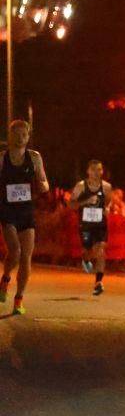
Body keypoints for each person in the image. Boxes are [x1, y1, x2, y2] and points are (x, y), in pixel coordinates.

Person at [0, 120, 50, 314]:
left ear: (28, 137)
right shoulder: (2, 158)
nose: (20, 138)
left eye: (24, 135)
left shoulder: (35, 158)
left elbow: (44, 183)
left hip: (26, 210)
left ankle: (19, 298)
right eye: (16, 134)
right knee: (15, 251)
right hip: (7, 211)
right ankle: (5, 278)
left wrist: (43, 185)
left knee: (26, 255)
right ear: (10, 136)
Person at [67, 159, 113, 296]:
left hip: (100, 223)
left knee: (101, 249)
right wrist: (85, 201)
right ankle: (86, 259)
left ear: (102, 171)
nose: (96, 173)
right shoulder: (81, 186)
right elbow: (70, 205)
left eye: (99, 170)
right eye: (93, 170)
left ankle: (98, 282)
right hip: (86, 224)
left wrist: (108, 208)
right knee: (88, 251)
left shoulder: (106, 187)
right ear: (88, 171)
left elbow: (109, 201)